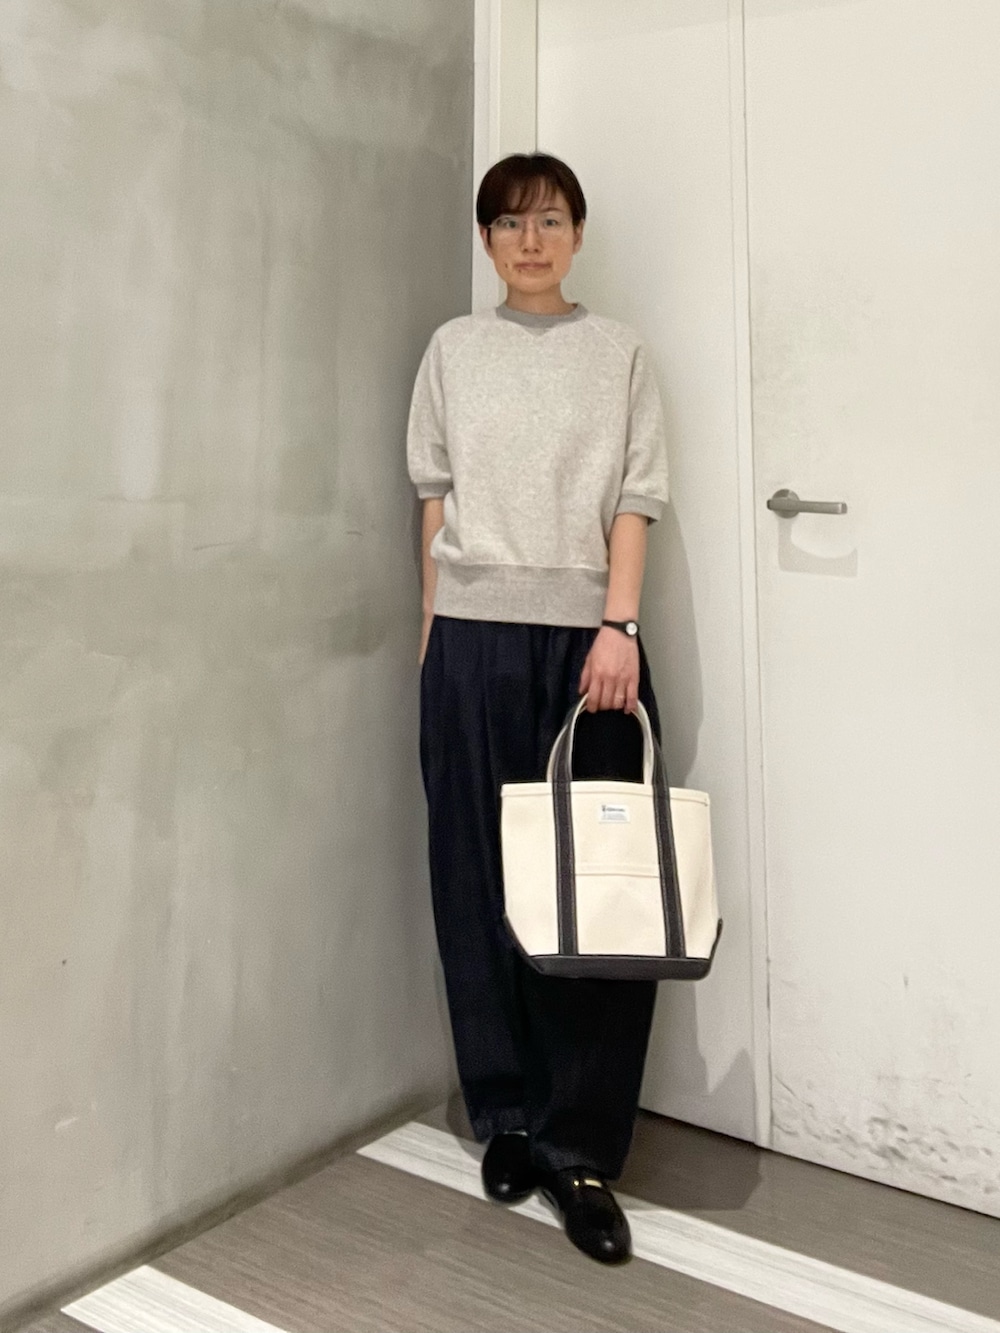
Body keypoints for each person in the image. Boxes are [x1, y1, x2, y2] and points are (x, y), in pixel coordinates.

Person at [406, 153, 669, 1265]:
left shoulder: (619, 353)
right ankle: (506, 1113)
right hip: (469, 639)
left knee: (598, 893)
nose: (530, 240)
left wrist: (620, 627)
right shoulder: (452, 350)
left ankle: (581, 1146)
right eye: (510, 223)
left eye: (550, 220)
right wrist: (432, 639)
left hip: (587, 647)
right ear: (486, 240)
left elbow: (636, 499)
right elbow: (434, 501)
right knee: (475, 875)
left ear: (577, 234)